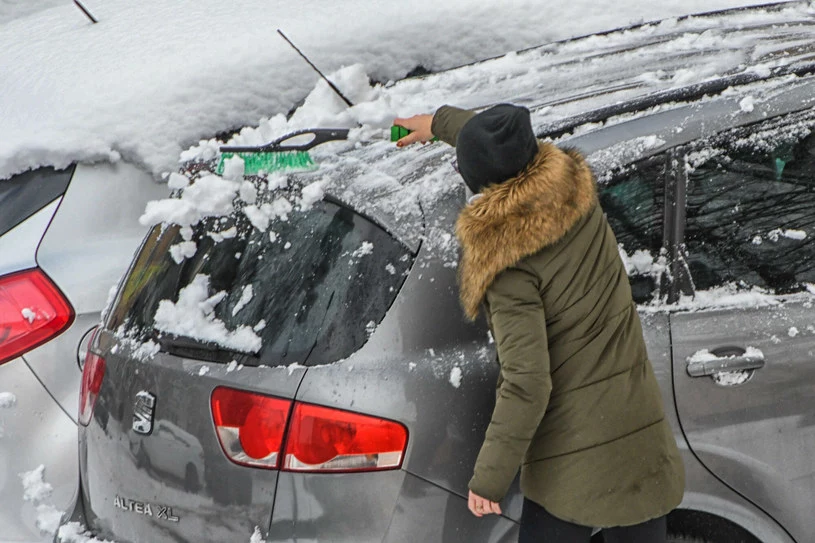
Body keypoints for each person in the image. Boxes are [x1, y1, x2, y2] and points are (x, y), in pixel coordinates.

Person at [394, 104, 685, 543]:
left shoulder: (508, 263)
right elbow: (504, 143)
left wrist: (489, 478)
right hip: (637, 434)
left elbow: (527, 383)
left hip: (573, 455)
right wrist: (440, 123)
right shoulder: (571, 191)